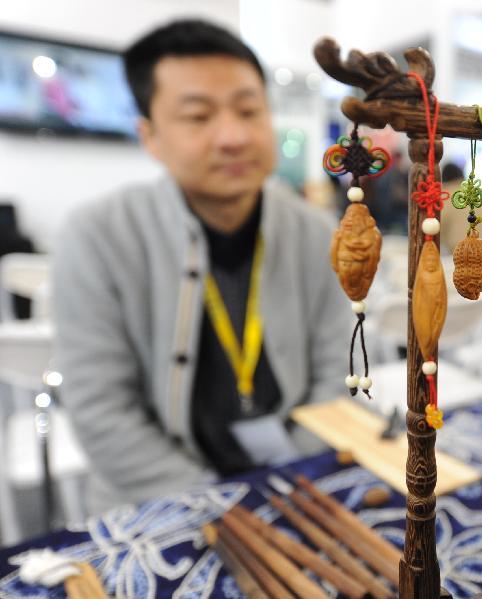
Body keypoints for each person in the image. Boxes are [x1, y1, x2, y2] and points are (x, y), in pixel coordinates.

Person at [52, 20, 348, 513]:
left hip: (299, 485)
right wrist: (221, 505)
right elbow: (102, 412)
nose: (233, 136)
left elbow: (339, 373)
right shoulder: (95, 236)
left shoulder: (317, 232)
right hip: (156, 502)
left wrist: (286, 483)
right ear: (150, 136)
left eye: (249, 110)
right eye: (198, 116)